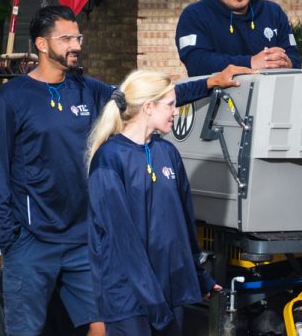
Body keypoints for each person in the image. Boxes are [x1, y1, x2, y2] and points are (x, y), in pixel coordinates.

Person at [0, 5, 246, 336]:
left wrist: (210, 81)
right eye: (66, 38)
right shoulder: (12, 98)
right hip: (33, 243)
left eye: (77, 37)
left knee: (104, 327)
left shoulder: (88, 90)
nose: (75, 45)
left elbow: (148, 98)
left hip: (82, 241)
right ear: (41, 44)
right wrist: (12, 240)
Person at [85, 70, 220, 335]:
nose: (176, 111)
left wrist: (199, 276)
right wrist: (155, 304)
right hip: (129, 300)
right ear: (148, 107)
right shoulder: (109, 159)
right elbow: (123, 243)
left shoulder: (168, 153)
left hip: (169, 293)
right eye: (170, 104)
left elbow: (183, 227)